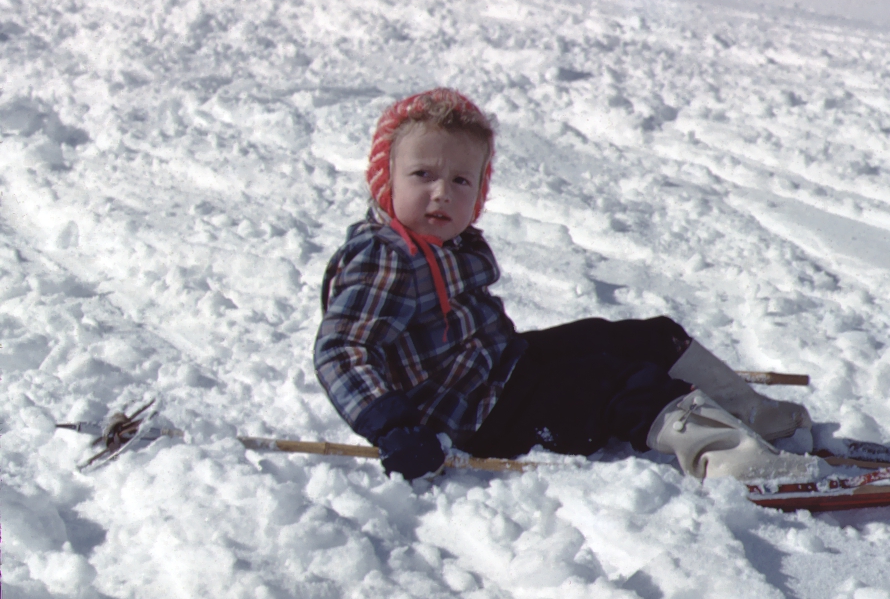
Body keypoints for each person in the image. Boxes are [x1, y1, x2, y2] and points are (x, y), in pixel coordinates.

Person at [314, 87, 823, 482]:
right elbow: (342, 351)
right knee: (611, 383)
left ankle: (748, 414)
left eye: (461, 181)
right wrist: (394, 427)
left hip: (500, 368)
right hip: (470, 417)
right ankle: (731, 460)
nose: (442, 193)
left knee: (641, 338)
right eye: (422, 174)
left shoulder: (450, 243)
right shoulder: (384, 258)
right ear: (386, 179)